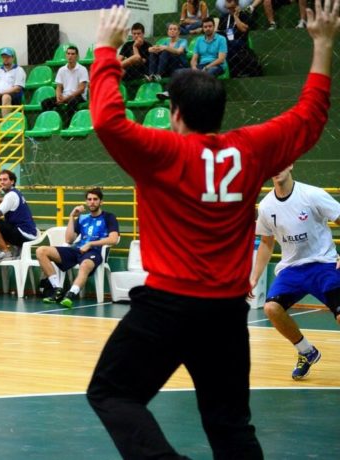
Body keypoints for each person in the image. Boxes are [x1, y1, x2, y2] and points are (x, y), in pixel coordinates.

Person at [85, 3, 337, 458]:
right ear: (220, 113)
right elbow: (311, 114)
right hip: (224, 313)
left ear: (175, 113)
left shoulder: (160, 151)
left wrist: (106, 50)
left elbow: (106, 118)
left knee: (113, 393)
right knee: (231, 428)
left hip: (166, 307)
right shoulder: (252, 148)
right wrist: (322, 44)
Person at [250, 165, 340, 380]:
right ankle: (307, 351)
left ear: (290, 165)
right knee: (271, 308)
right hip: (292, 269)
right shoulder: (266, 206)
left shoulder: (312, 195)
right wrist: (254, 276)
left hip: (323, 265)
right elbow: (265, 243)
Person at [37, 188, 120, 308]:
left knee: (85, 265)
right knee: (41, 251)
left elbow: (113, 239)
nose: (92, 202)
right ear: (86, 202)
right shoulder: (82, 218)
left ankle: (70, 295)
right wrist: (72, 217)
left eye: (95, 199)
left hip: (95, 252)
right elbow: (69, 240)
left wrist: (91, 244)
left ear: (101, 202)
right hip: (77, 250)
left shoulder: (109, 217)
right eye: (89, 199)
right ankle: (57, 289)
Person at [0, 169, 38, 263]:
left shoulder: (10, 195)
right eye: (0, 179)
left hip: (24, 234)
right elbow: (5, 205)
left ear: (12, 181)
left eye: (5, 179)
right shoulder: (14, 193)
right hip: (29, 233)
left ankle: (5, 252)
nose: (2, 182)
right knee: (0, 229)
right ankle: (14, 250)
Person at [40, 45, 89, 126]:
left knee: (72, 102)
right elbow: (59, 87)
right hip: (64, 96)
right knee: (45, 103)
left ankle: (68, 126)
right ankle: (48, 124)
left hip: (78, 96)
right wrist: (58, 97)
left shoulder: (82, 69)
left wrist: (66, 98)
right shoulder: (62, 70)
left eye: (73, 54)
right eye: (68, 53)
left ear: (76, 56)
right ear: (66, 55)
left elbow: (81, 89)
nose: (70, 56)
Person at [218, 0, 263, 78]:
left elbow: (244, 29)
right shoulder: (224, 17)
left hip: (241, 45)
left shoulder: (244, 15)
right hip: (226, 45)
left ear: (236, 3)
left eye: (230, 1)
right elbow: (219, 33)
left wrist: (236, 17)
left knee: (235, 44)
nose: (227, 1)